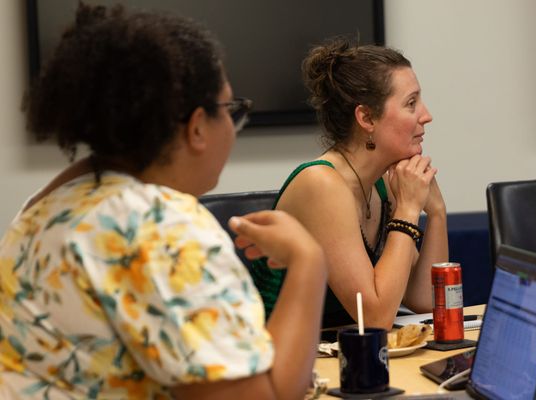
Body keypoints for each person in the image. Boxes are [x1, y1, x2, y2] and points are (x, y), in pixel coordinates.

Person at [0, 3, 327, 399]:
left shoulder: (45, 208)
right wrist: (308, 262)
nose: (233, 126)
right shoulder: (164, 227)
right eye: (229, 108)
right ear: (196, 128)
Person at [250, 38, 448, 333]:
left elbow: (425, 299)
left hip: (340, 355)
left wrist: (436, 213)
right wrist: (407, 209)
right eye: (411, 103)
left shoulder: (382, 182)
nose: (426, 115)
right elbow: (375, 318)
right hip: (280, 361)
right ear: (366, 117)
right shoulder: (321, 184)